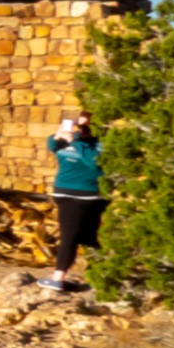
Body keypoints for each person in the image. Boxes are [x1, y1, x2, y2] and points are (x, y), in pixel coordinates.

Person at [45, 111, 107, 286]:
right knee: (78, 236)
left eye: (82, 126)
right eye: (76, 125)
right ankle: (65, 276)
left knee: (79, 236)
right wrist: (57, 135)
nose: (78, 129)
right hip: (66, 193)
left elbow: (95, 164)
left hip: (89, 195)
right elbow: (51, 146)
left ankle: (60, 278)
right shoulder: (67, 140)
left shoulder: (98, 146)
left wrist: (76, 142)